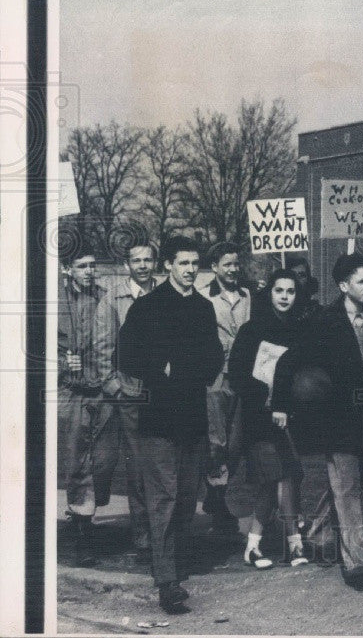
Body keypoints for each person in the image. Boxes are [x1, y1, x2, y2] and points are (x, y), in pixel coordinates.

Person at [116, 236, 224, 613]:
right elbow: (125, 354)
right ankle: (167, 581)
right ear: (168, 267)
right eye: (183, 263)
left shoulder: (204, 308)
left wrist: (181, 368)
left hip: (192, 419)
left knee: (185, 499)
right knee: (162, 498)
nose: (190, 270)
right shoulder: (147, 307)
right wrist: (159, 368)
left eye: (195, 263)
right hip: (158, 420)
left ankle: (177, 564)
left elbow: (213, 357)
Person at [272, 252, 363, 592]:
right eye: (362, 281)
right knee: (348, 488)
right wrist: (280, 404)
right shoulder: (326, 321)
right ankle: (356, 566)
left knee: (348, 483)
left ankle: (318, 535)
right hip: (336, 418)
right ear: (343, 285)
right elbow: (288, 361)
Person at [227, 269, 309, 570]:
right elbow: (237, 373)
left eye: (290, 291)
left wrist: (286, 404)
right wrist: (266, 396)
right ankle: (254, 546)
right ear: (269, 293)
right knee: (269, 479)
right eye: (279, 290)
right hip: (258, 415)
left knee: (287, 477)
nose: (285, 296)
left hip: (288, 416)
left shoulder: (300, 331)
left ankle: (293, 543)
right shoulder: (251, 330)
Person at [92, 241, 159, 563]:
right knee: (138, 464)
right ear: (127, 264)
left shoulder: (163, 294)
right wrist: (114, 385)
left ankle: (164, 533)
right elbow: (102, 345)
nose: (143, 265)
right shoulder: (113, 298)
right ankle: (144, 536)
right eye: (137, 260)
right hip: (130, 393)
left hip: (163, 393)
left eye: (148, 259)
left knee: (164, 463)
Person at [58, 235, 110, 568]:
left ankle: (89, 513)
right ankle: (81, 527)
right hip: (69, 390)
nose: (89, 271)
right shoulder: (55, 301)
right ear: (67, 269)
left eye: (93, 265)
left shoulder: (105, 299)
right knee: (76, 456)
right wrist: (61, 363)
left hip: (101, 388)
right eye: (82, 266)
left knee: (104, 459)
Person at [200, 241, 252, 538]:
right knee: (216, 442)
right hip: (216, 377)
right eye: (227, 264)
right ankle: (217, 499)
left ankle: (217, 492)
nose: (233, 269)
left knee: (235, 443)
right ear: (215, 267)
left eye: (236, 264)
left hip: (241, 376)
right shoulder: (204, 297)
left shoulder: (247, 296)